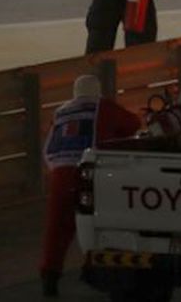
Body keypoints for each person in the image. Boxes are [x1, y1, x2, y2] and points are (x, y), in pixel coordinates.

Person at [40, 74, 141, 297]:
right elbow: (134, 124)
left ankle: (50, 276)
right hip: (89, 172)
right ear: (98, 91)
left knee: (57, 227)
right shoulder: (103, 107)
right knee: (101, 220)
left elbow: (50, 144)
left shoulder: (61, 112)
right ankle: (98, 269)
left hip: (59, 173)